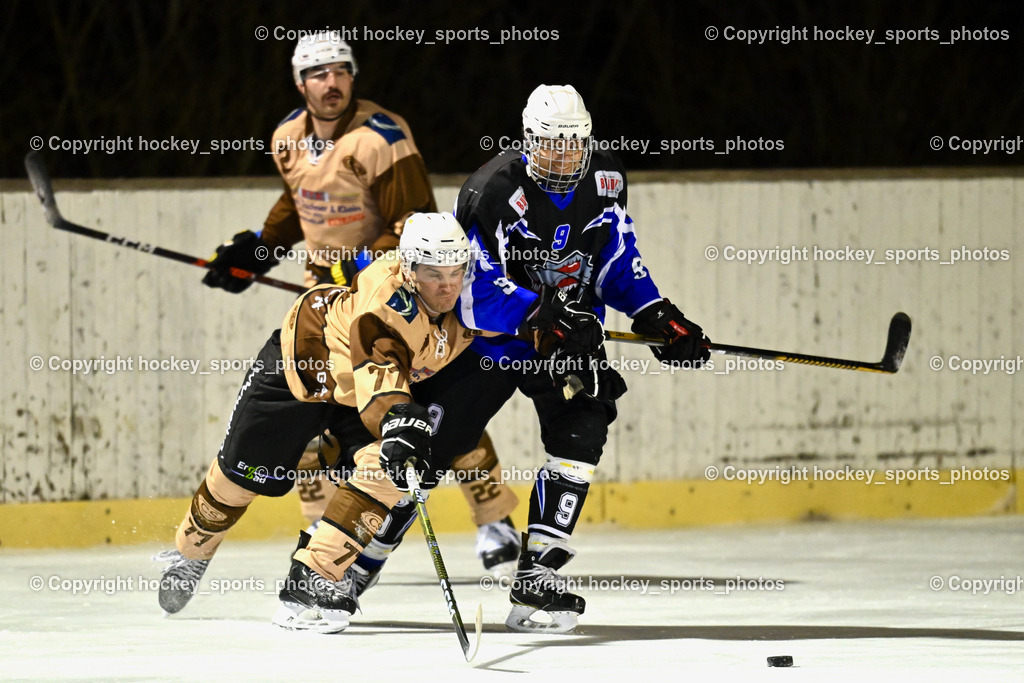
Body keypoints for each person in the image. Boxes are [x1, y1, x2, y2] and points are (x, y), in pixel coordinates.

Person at [344, 84, 712, 634]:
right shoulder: (490, 189)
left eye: (572, 143)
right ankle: (350, 568)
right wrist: (547, 315)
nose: (562, 155)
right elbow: (471, 288)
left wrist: (657, 313)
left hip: (564, 344)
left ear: (587, 140)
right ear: (527, 140)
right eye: (548, 143)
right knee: (422, 453)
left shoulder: (608, 179)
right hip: (488, 344)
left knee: (583, 431)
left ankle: (536, 582)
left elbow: (615, 256)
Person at [197, 32, 521, 576]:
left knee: (427, 410)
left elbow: (415, 223)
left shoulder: (382, 138)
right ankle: (321, 529)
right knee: (312, 415)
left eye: (341, 71)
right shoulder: (287, 137)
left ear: (353, 76)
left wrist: (364, 267)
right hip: (325, 302)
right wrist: (257, 247)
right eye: (319, 74)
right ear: (300, 83)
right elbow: (299, 199)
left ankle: (492, 517)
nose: (332, 82)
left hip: (390, 299)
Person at [155, 213, 531, 618]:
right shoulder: (387, 306)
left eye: (457, 272)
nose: (448, 286)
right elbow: (379, 367)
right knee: (240, 478)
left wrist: (560, 330)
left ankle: (313, 576)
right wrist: (398, 417)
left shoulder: (473, 292)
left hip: (359, 394)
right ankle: (191, 553)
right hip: (303, 366)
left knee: (390, 467)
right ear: (409, 268)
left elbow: (521, 320)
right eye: (433, 273)